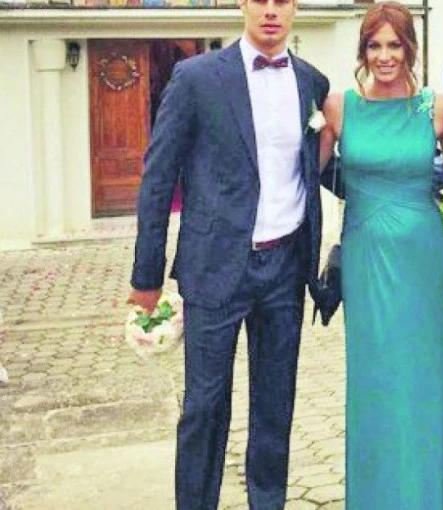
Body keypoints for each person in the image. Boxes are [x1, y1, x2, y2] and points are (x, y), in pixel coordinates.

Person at [127, 0, 329, 507]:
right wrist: (147, 276)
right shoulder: (196, 79)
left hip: (285, 267)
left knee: (275, 406)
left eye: (282, 1)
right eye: (260, 0)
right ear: (242, 5)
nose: (271, 11)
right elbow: (158, 177)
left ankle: (268, 501)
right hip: (215, 268)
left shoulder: (311, 81)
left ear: (295, 9)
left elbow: (319, 166)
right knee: (205, 406)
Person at [318, 2, 443, 508]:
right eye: (375, 45)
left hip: (423, 261)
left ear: (410, 49)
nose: (384, 56)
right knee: (375, 380)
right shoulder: (338, 108)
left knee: (423, 380)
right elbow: (299, 178)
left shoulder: (438, 108)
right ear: (363, 51)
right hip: (365, 259)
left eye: (394, 45)